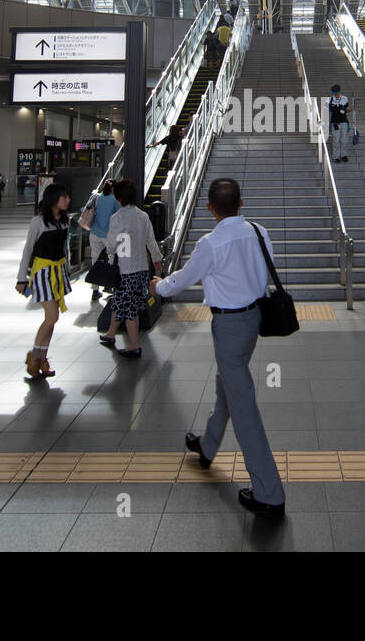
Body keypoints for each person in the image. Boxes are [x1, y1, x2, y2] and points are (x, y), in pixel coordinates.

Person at [151, 178, 286, 519]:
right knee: (228, 380)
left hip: (228, 325)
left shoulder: (211, 244)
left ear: (210, 208)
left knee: (244, 409)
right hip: (254, 319)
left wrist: (159, 286)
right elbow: (267, 266)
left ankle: (270, 494)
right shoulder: (259, 231)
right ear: (241, 203)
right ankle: (208, 445)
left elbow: (182, 279)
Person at [16, 182, 73, 379]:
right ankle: (35, 357)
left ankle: (42, 359)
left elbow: (64, 247)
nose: (67, 200)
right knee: (52, 317)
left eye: (67, 197)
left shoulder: (65, 221)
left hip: (58, 272)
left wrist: (67, 270)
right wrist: (21, 277)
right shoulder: (38, 222)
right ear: (53, 199)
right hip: (43, 272)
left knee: (52, 319)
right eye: (63, 197)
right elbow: (28, 249)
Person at [101, 180, 163, 358]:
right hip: (141, 269)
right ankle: (111, 334)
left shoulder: (117, 218)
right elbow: (150, 240)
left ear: (119, 198)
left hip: (125, 269)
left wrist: (112, 246)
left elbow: (112, 246)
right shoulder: (143, 216)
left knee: (129, 309)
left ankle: (134, 345)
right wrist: (157, 259)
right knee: (121, 301)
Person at [87, 181, 120, 302]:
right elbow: (120, 214)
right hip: (108, 234)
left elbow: (85, 208)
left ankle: (95, 291)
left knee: (95, 259)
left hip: (94, 232)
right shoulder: (114, 200)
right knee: (111, 259)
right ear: (113, 188)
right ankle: (108, 285)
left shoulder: (96, 197)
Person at [328, 84, 353, 163]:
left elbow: (346, 110)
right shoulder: (330, 100)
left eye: (336, 92)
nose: (336, 94)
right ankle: (336, 156)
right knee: (336, 140)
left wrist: (351, 110)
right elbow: (328, 112)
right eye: (335, 92)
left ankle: (344, 155)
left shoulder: (344, 99)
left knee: (344, 140)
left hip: (344, 121)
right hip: (335, 122)